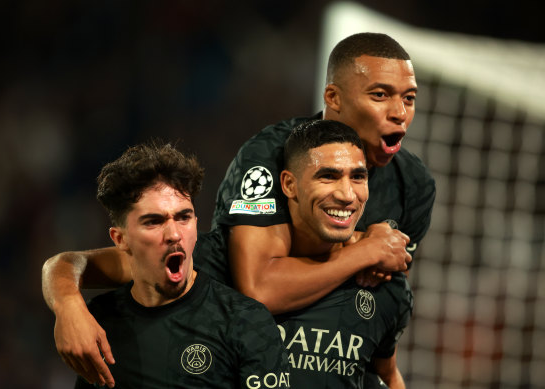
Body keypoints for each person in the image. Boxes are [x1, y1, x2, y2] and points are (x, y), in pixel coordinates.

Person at [42, 32, 435, 386]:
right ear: (289, 185)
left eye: (409, 98)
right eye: (381, 95)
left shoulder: (412, 187)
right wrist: (68, 303)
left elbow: (381, 334)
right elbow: (259, 287)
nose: (399, 112)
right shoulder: (269, 158)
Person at [56, 141, 290, 388]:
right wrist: (67, 305)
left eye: (183, 217)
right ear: (120, 239)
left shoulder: (244, 322)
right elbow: (65, 264)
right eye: (154, 221)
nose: (174, 234)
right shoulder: (100, 321)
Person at [274, 119, 412, 388]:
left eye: (358, 177)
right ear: (289, 185)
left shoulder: (386, 286)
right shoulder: (230, 274)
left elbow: (389, 376)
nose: (348, 195)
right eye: (328, 176)